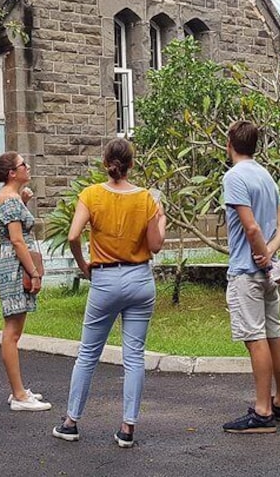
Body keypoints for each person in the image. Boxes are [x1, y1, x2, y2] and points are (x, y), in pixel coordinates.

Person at [52, 138, 166, 448]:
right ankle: (128, 427)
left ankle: (71, 421)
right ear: (132, 163)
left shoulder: (90, 195)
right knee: (134, 357)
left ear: (106, 163)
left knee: (88, 354)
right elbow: (155, 245)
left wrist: (84, 265)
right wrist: (161, 218)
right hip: (140, 279)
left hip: (105, 278)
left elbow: (74, 235)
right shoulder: (146, 199)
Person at [221, 120, 280, 434]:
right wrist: (270, 257)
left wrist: (262, 256)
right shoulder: (267, 176)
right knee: (274, 334)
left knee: (256, 339)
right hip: (267, 273)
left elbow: (251, 227)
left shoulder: (234, 176)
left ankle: (263, 411)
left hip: (247, 273)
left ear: (230, 144)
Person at [0, 151, 52, 412]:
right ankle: (18, 394)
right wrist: (34, 272)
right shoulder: (11, 200)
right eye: (22, 164)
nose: (28, 167)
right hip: (15, 266)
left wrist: (24, 203)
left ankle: (19, 390)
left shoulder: (10, 198)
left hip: (11, 264)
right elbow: (16, 240)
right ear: (12, 173)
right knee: (12, 333)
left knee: (13, 331)